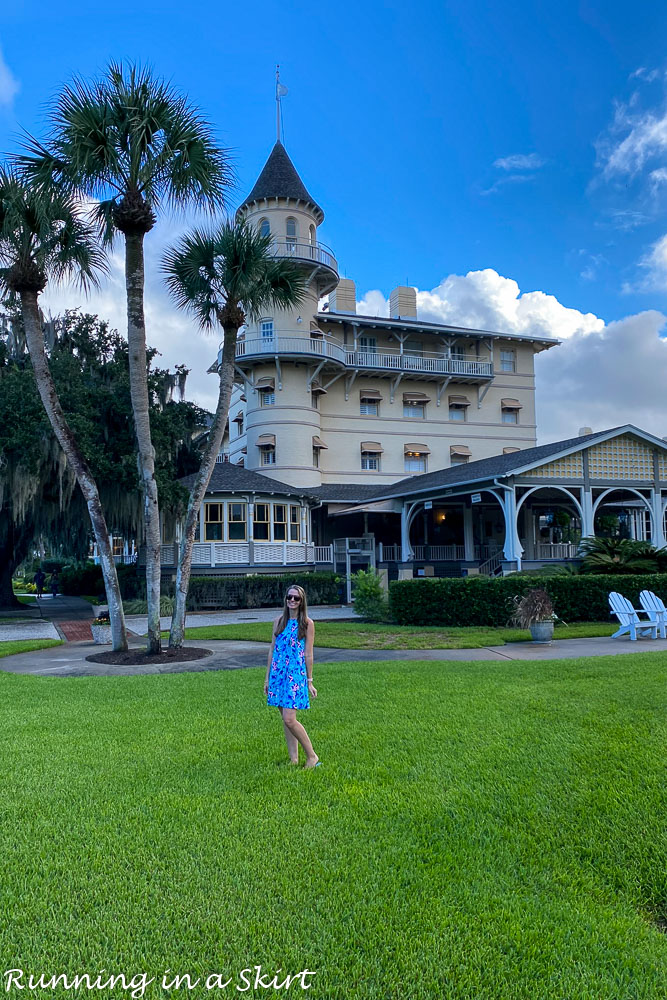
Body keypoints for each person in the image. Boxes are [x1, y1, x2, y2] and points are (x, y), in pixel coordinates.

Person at [264, 584, 321, 769]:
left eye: (296, 598)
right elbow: (272, 649)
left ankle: (312, 756)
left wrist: (310, 681)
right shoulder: (279, 621)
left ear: (302, 601)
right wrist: (267, 679)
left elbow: (309, 654)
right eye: (289, 597)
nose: (292, 601)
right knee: (285, 720)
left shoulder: (307, 624)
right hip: (278, 674)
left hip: (295, 676)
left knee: (290, 718)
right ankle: (293, 759)